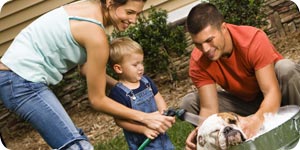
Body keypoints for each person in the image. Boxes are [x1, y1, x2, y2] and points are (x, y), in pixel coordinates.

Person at [0, 0, 175, 149]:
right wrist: (146, 118)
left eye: (137, 14)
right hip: (21, 81)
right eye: (129, 12)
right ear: (110, 2)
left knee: (74, 140)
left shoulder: (89, 8)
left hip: (13, 77)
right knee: (76, 145)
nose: (133, 20)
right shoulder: (95, 34)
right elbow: (97, 100)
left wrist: (125, 89)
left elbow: (85, 70)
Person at [180, 2, 300, 150]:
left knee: (286, 68)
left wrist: (257, 120)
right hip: (244, 104)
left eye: (209, 40)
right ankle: (231, 142)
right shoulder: (198, 60)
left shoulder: (252, 39)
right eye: (198, 44)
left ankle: (296, 126)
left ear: (223, 28)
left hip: (278, 97)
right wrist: (202, 135)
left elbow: (271, 92)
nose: (205, 49)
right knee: (190, 102)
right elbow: (209, 109)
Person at [108, 37, 175, 149]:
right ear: (119, 69)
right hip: (143, 141)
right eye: (135, 65)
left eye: (141, 63)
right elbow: (120, 121)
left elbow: (158, 98)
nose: (141, 68)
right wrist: (143, 129)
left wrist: (164, 115)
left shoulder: (146, 81)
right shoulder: (118, 93)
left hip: (161, 135)